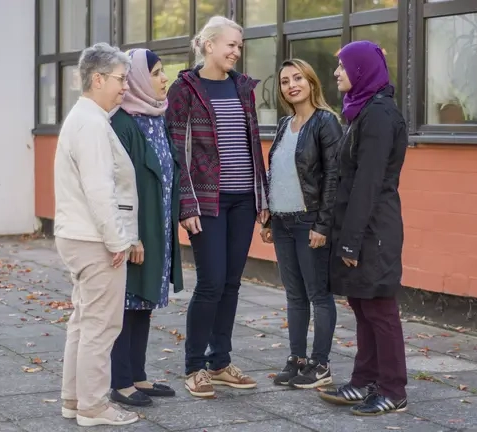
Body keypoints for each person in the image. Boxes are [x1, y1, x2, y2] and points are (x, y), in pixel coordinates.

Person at [166, 15, 269, 398]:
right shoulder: (184, 89)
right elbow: (179, 152)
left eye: (239, 47)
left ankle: (220, 361)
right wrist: (186, 204)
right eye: (231, 45)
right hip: (207, 202)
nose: (236, 52)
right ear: (209, 45)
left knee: (231, 283)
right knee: (210, 283)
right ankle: (195, 366)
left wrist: (262, 195)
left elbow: (252, 141)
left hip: (244, 199)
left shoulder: (243, 88)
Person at [317, 40, 409, 416]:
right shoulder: (361, 111)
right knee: (362, 305)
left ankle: (393, 390)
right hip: (360, 225)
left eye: (342, 66)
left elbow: (368, 183)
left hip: (375, 228)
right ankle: (364, 381)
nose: (336, 72)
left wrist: (351, 243)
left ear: (360, 70)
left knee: (379, 308)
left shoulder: (380, 115)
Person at [53, 42, 141, 427]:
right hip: (93, 238)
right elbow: (100, 190)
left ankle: (75, 401)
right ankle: (93, 406)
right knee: (101, 326)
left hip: (79, 235)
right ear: (98, 78)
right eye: (121, 79)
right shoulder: (90, 124)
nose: (125, 86)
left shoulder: (84, 119)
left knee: (84, 321)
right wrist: (118, 240)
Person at [108, 48, 184, 407]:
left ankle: (137, 375)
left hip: (159, 228)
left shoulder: (157, 117)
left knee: (144, 302)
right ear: (139, 78)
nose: (164, 78)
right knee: (126, 304)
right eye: (156, 72)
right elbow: (116, 186)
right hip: (137, 232)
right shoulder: (122, 124)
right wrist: (130, 234)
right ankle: (120, 381)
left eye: (163, 72)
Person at [259, 59, 342, 389]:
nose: (291, 84)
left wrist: (323, 226)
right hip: (282, 221)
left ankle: (321, 365)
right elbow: (276, 174)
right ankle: (297, 360)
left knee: (318, 295)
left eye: (297, 78)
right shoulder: (284, 124)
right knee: (295, 296)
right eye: (284, 81)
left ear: (311, 82)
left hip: (310, 220)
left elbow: (334, 177)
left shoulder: (326, 122)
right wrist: (267, 216)